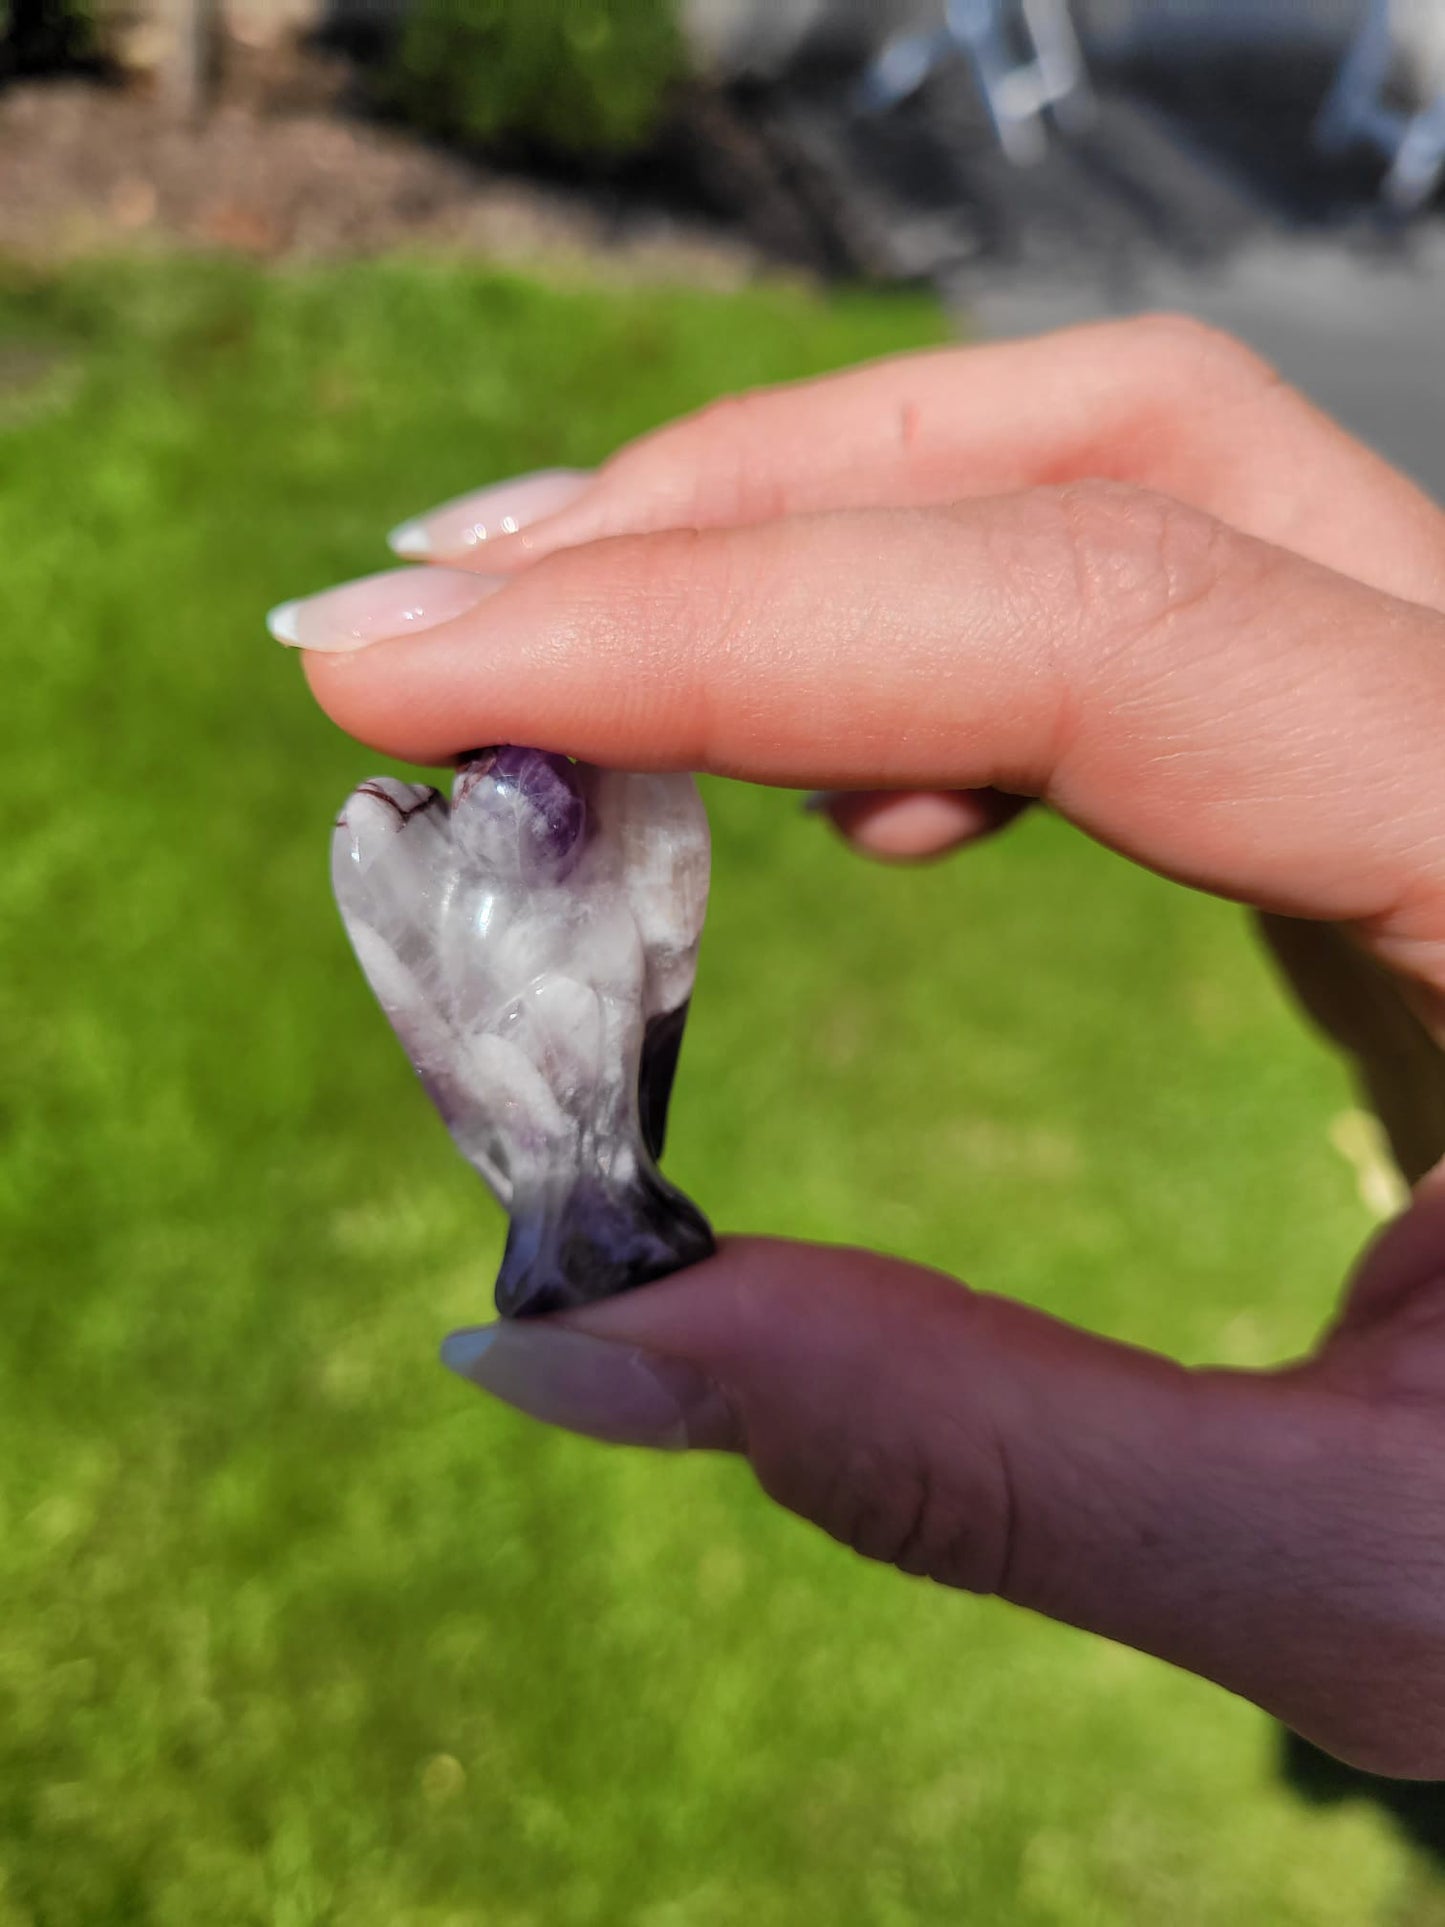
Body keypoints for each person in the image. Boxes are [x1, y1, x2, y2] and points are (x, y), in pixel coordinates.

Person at [269, 315, 1445, 1780]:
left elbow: (654, 911)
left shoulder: (617, 854)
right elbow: (467, 988)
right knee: (571, 1158)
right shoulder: (436, 890)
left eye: (538, 800)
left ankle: (596, 1211)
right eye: (510, 809)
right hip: (538, 1104)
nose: (528, 814)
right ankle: (580, 1216)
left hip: (583, 1096)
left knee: (593, 1152)